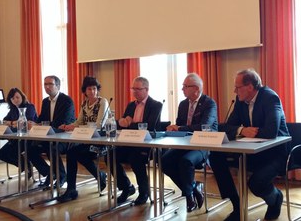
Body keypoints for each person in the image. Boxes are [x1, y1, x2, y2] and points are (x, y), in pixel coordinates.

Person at [209, 69, 290, 221]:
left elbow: (271, 131)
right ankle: (237, 206)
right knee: (215, 156)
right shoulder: (240, 101)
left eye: (237, 87)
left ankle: (275, 198)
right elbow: (225, 126)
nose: (234, 90)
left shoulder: (270, 98)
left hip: (275, 153)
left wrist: (249, 132)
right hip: (251, 151)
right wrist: (242, 130)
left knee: (256, 183)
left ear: (250, 87)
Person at [161, 73, 218, 212]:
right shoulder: (183, 104)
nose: (182, 89)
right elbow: (180, 125)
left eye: (185, 86)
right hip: (184, 144)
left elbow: (204, 126)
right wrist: (174, 128)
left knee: (185, 161)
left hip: (204, 144)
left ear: (196, 89)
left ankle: (189, 197)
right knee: (164, 160)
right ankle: (193, 188)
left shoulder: (209, 103)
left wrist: (179, 127)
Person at [57, 76, 109, 202]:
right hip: (86, 140)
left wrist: (79, 127)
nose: (92, 91)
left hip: (100, 141)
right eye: (89, 89)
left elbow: (98, 125)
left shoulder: (103, 102)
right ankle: (72, 189)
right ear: (84, 91)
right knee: (72, 153)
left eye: (95, 88)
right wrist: (68, 126)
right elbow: (79, 122)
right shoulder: (84, 104)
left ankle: (99, 176)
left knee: (77, 153)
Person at [112, 76, 163, 205]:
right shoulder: (130, 105)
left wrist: (129, 123)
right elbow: (121, 124)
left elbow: (149, 126)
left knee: (136, 158)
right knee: (110, 156)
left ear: (146, 89)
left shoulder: (156, 105)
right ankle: (126, 187)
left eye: (138, 89)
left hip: (146, 144)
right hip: (129, 142)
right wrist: (121, 121)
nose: (134, 92)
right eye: (133, 89)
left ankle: (144, 192)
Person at [28, 75, 75, 188]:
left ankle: (61, 176)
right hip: (48, 136)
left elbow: (63, 122)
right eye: (45, 84)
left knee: (51, 147)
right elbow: (42, 119)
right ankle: (50, 173)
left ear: (58, 86)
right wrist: (33, 124)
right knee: (29, 149)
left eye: (50, 84)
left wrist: (39, 125)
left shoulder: (67, 101)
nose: (47, 87)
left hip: (64, 137)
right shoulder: (45, 101)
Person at [0, 88, 38, 176]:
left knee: (12, 153)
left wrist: (12, 123)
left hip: (28, 138)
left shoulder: (30, 107)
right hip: (16, 138)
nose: (15, 100)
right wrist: (13, 123)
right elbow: (5, 121)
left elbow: (27, 122)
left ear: (22, 97)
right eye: (12, 98)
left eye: (17, 97)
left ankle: (26, 166)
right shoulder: (13, 109)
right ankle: (25, 165)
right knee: (0, 154)